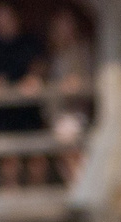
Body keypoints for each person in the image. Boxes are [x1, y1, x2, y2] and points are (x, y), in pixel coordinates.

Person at [0, 3, 47, 189]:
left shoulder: (30, 42)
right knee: (9, 158)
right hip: (4, 113)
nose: (0, 23)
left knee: (36, 156)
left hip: (30, 110)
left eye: (4, 17)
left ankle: (36, 197)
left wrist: (33, 78)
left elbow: (39, 65)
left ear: (14, 18)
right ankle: (11, 196)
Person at [43, 8, 94, 181]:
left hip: (74, 111)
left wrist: (75, 83)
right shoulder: (54, 53)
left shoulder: (82, 50)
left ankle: (81, 189)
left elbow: (84, 77)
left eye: (67, 25)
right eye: (61, 26)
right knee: (64, 157)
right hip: (56, 111)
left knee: (74, 153)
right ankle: (77, 189)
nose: (64, 29)